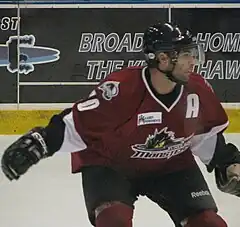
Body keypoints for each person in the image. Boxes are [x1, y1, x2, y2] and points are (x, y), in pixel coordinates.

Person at [1, 22, 240, 227]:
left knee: (209, 223)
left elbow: (204, 136)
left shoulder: (197, 90)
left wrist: (227, 163)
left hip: (170, 165)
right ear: (163, 59)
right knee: (113, 220)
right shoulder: (121, 90)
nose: (193, 61)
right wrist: (39, 144)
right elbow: (77, 124)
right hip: (111, 165)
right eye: (185, 54)